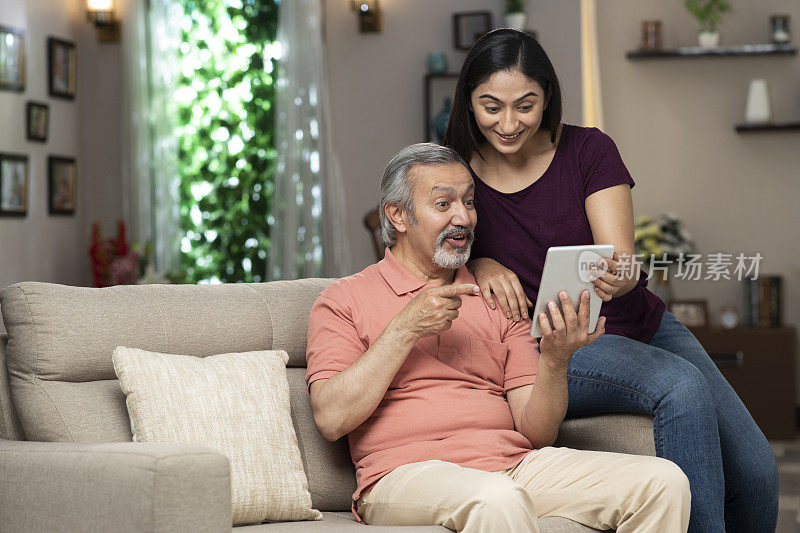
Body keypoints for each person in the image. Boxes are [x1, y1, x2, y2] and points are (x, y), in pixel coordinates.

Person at [441, 28, 778, 533]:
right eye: (491, 107)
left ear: (547, 96)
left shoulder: (589, 149)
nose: (508, 124)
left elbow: (621, 256)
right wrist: (480, 264)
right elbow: (429, 255)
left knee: (757, 471)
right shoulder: (455, 171)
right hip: (557, 346)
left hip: (641, 323)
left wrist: (621, 276)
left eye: (525, 105)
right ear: (468, 102)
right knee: (680, 388)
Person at [306, 143, 690, 532]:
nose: (464, 217)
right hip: (402, 474)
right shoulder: (344, 299)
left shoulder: (497, 297)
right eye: (443, 205)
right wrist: (406, 327)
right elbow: (331, 418)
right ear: (398, 216)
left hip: (512, 467)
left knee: (663, 482)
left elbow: (536, 432)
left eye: (469, 202)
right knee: (497, 497)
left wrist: (555, 359)